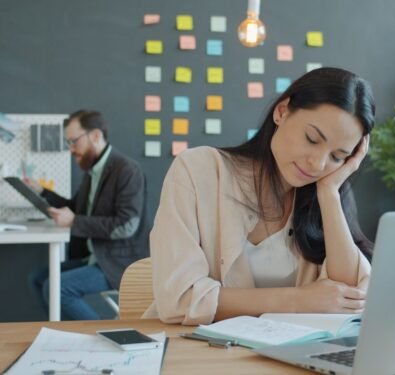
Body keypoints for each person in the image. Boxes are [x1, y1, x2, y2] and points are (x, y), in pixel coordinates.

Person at [143, 67, 375, 325]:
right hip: (195, 353)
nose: (318, 164)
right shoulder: (198, 170)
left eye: (337, 156)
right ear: (282, 111)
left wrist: (329, 193)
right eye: (312, 139)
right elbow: (180, 299)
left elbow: (349, 298)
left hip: (283, 357)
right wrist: (299, 300)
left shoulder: (324, 196)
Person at [28, 110, 150, 320]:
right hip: (96, 256)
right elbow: (76, 208)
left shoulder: (127, 170)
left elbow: (126, 225)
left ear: (95, 135)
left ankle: (99, 335)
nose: (71, 149)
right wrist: (42, 192)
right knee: (38, 279)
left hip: (120, 262)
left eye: (74, 141)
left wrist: (74, 221)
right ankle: (68, 333)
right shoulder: (93, 172)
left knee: (57, 288)